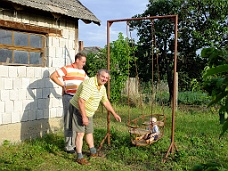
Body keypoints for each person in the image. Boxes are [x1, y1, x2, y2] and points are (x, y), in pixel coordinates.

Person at [69, 69, 121, 165]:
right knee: (80, 133)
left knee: (89, 132)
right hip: (79, 109)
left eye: (106, 78)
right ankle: (79, 157)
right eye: (103, 76)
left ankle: (93, 152)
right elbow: (81, 101)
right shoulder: (89, 84)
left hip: (89, 112)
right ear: (97, 75)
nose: (104, 79)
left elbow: (105, 101)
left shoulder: (102, 87)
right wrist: (84, 117)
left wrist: (114, 113)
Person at [50, 52, 88, 153]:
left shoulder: (83, 72)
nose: (84, 64)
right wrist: (63, 86)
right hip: (69, 97)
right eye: (83, 62)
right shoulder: (66, 68)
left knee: (76, 120)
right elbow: (53, 76)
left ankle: (75, 144)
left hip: (78, 99)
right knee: (68, 120)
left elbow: (87, 83)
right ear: (77, 60)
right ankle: (68, 145)